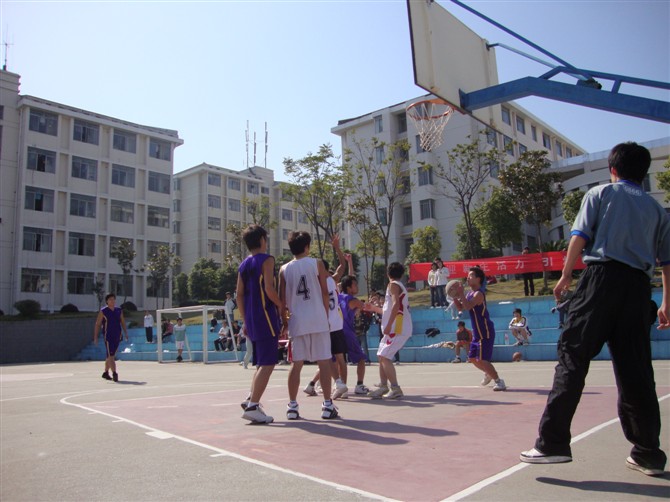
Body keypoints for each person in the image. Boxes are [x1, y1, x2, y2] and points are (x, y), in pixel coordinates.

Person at [520, 142, 670, 477]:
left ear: (612, 169)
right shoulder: (657, 210)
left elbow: (579, 236)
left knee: (573, 357)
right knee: (636, 371)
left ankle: (552, 444)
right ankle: (648, 452)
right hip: (638, 289)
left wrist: (564, 275)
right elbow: (667, 262)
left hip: (601, 279)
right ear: (643, 173)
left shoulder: (600, 194)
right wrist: (667, 303)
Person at [279, 231, 338, 420]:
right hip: (318, 318)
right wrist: (325, 316)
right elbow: (324, 292)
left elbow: (282, 301)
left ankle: (292, 406)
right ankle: (327, 405)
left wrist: (285, 322)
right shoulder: (317, 263)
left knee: (296, 364)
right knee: (324, 362)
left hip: (297, 321)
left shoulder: (284, 269)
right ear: (307, 246)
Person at [236, 224, 282, 424]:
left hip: (252, 319)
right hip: (266, 316)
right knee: (268, 363)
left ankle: (250, 399)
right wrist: (281, 305)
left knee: (261, 363)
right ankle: (253, 405)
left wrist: (245, 319)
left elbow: (239, 295)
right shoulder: (267, 259)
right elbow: (269, 289)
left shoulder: (244, 264)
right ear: (263, 239)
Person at [303, 234, 349, 400]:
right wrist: (337, 248)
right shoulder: (333, 279)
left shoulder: (317, 283)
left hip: (325, 324)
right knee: (339, 358)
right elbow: (342, 265)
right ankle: (339, 385)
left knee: (326, 358)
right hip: (336, 324)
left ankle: (338, 383)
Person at [451, 266, 506, 391]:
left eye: (471, 276)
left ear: (478, 279)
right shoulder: (470, 294)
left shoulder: (479, 294)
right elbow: (461, 308)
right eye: (468, 276)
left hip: (485, 330)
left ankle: (499, 381)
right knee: (472, 358)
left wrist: (461, 293)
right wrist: (454, 296)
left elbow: (468, 306)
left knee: (482, 359)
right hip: (477, 331)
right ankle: (489, 373)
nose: (468, 278)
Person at [367, 262, 413, 399]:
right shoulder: (398, 286)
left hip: (397, 327)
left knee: (385, 357)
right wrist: (374, 309)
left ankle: (395, 388)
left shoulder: (393, 285)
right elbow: (389, 310)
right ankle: (383, 386)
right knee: (381, 355)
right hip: (396, 327)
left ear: (388, 273)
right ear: (402, 274)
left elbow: (396, 305)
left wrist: (388, 325)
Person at [94, 293, 129, 382]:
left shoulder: (118, 310)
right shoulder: (103, 311)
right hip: (108, 336)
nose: (112, 301)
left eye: (113, 299)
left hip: (117, 335)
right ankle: (114, 373)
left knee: (110, 356)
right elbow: (98, 324)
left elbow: (122, 322)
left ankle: (106, 372)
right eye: (110, 299)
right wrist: (95, 337)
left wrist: (125, 333)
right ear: (107, 301)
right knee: (111, 356)